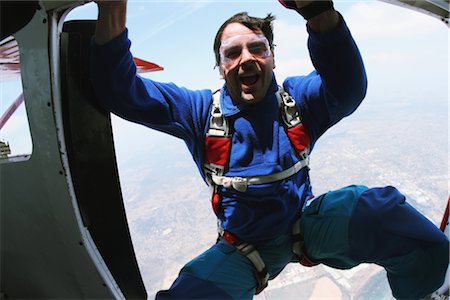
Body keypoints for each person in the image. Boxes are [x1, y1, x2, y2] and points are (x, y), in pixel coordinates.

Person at [90, 1, 449, 299]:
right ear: (221, 69)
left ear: (272, 58)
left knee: (386, 218)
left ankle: (422, 293)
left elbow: (348, 87)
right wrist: (113, 9)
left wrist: (318, 12)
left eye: (257, 48)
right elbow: (121, 91)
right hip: (243, 248)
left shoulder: (298, 101)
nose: (246, 59)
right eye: (232, 53)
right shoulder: (198, 112)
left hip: (306, 226)